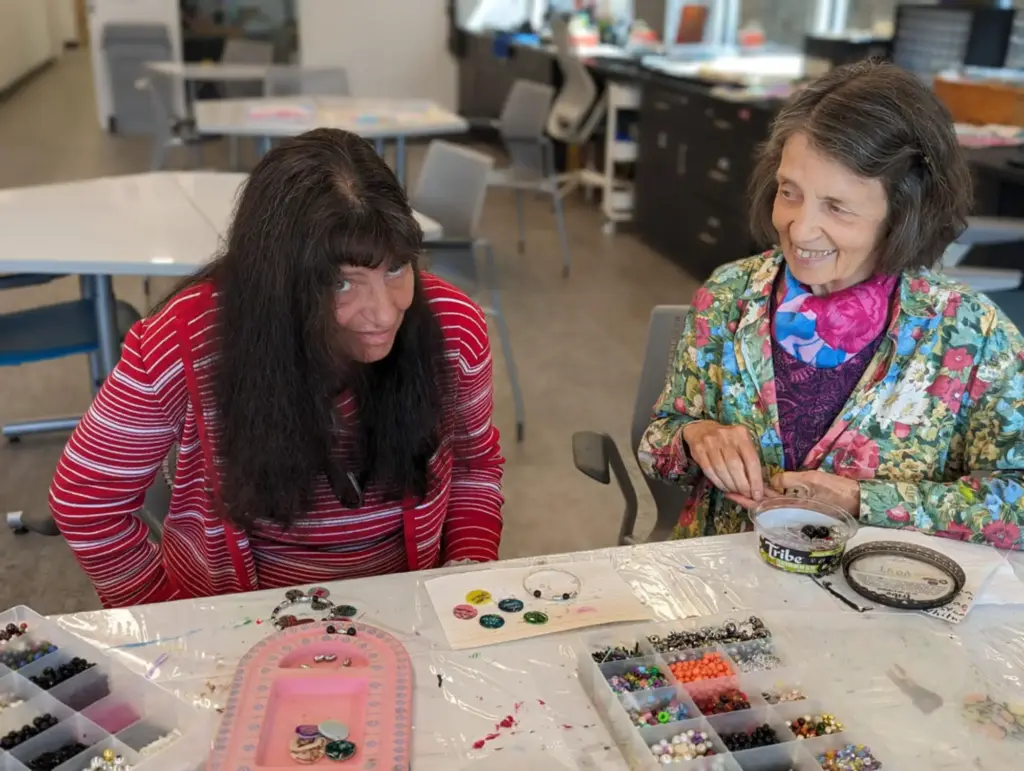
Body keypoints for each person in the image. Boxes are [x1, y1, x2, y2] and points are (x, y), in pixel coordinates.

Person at [49, 129, 504, 608]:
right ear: (276, 283)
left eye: (395, 270)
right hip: (237, 625)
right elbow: (86, 502)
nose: (386, 313)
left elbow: (474, 466)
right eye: (340, 283)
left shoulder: (453, 328)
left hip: (411, 612)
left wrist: (466, 568)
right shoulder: (183, 340)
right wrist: (164, 622)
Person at [639, 60, 1024, 550]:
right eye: (789, 193)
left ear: (903, 214)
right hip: (726, 584)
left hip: (885, 597)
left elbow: (1017, 500)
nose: (799, 229)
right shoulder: (729, 297)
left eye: (837, 207)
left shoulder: (971, 334)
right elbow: (658, 444)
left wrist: (864, 500)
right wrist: (697, 435)